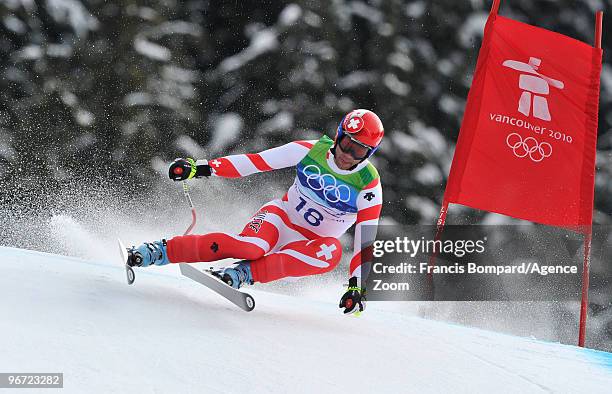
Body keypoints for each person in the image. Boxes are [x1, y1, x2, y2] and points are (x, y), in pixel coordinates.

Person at [127, 109, 384, 314]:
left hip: (308, 247)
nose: (347, 154)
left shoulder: (368, 184)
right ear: (337, 135)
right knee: (250, 248)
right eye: (345, 143)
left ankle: (242, 274)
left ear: (368, 153)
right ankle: (157, 251)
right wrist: (200, 168)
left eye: (358, 150)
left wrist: (356, 287)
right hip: (280, 217)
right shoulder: (310, 150)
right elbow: (256, 162)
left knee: (332, 253)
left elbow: (365, 241)